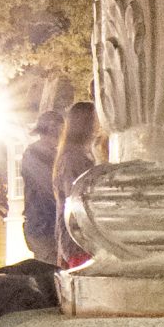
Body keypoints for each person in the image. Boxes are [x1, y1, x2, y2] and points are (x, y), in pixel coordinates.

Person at [53, 101, 102, 264]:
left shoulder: (77, 155)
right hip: (79, 241)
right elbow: (75, 199)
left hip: (81, 238)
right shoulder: (72, 159)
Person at [20, 109, 65, 261]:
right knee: (49, 271)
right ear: (52, 128)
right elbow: (48, 187)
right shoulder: (33, 154)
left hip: (47, 224)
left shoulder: (51, 153)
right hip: (43, 226)